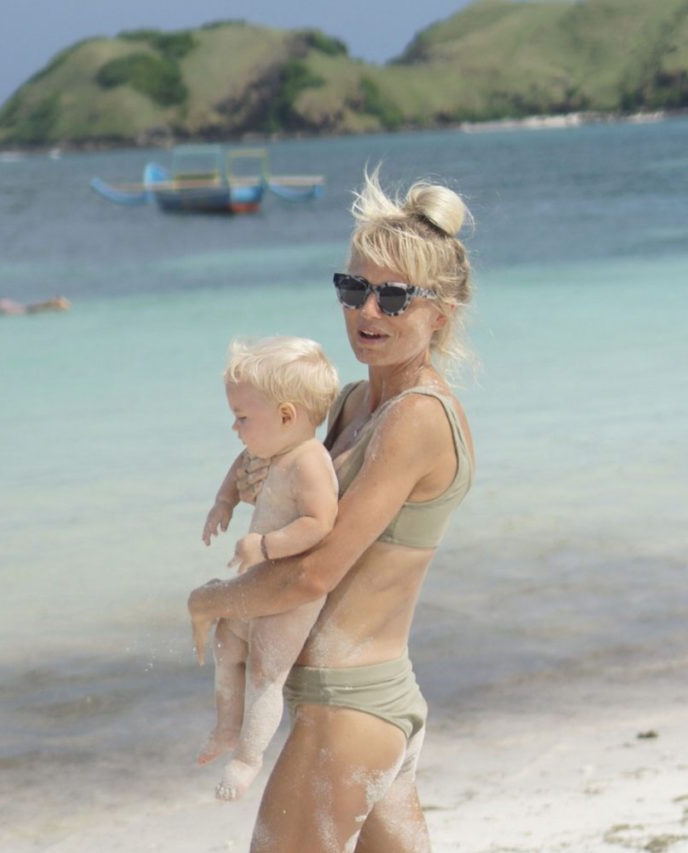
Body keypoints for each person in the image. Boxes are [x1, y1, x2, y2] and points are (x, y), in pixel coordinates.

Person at [189, 169, 476, 852]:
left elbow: (314, 573)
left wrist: (213, 601)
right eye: (354, 288)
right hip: (361, 702)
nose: (367, 311)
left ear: (440, 311)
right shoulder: (351, 403)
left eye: (394, 296)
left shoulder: (417, 419)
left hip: (350, 706)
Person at [200, 336, 340, 802]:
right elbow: (238, 471)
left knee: (265, 669)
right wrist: (223, 502)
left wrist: (266, 543)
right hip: (260, 580)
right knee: (227, 638)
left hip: (290, 593)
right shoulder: (267, 453)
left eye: (242, 417)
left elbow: (320, 523)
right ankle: (224, 726)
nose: (234, 427)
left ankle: (248, 757)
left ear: (286, 415)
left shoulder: (309, 463)